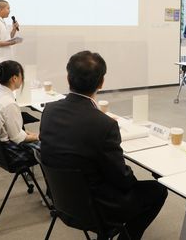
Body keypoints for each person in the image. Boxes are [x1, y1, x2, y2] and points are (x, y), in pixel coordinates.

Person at [40, 51, 167, 240]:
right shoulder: (104, 124)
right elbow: (121, 178)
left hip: (61, 198)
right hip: (95, 207)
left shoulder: (49, 110)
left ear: (68, 78)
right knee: (157, 190)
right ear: (101, 83)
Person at [0, 61, 39, 167]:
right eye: (22, 75)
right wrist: (38, 137)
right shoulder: (9, 103)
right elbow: (17, 138)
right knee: (51, 148)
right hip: (9, 152)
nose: (23, 79)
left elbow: (13, 130)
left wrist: (31, 134)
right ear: (14, 78)